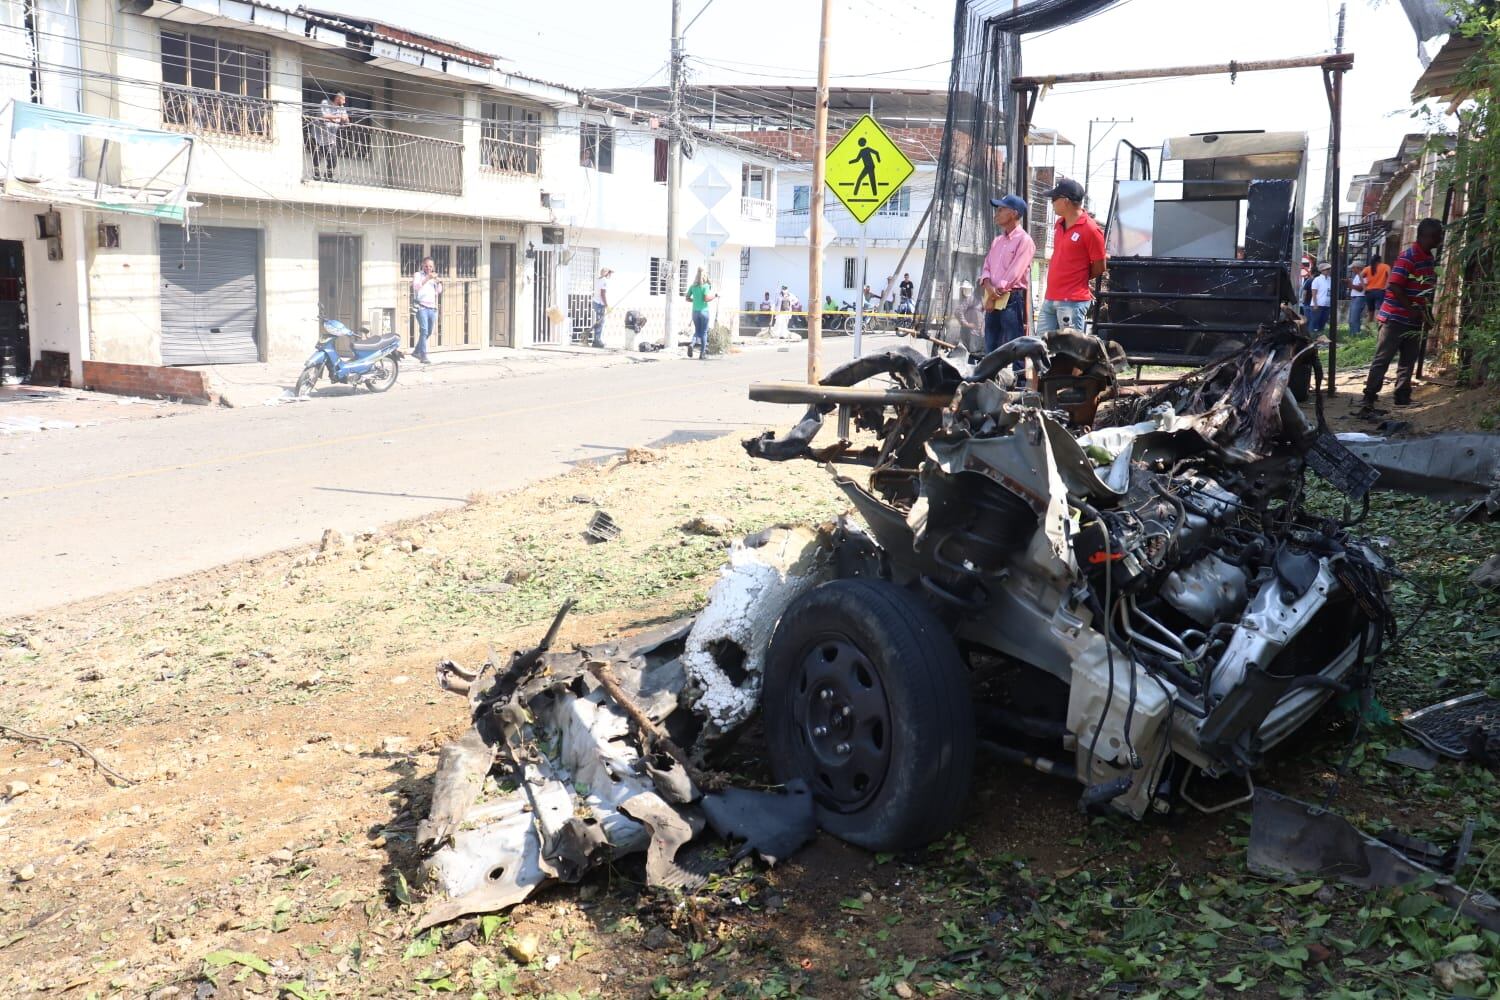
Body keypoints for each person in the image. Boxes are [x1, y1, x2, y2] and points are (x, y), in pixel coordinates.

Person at [1360, 218, 1444, 414]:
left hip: (1414, 320)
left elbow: (1425, 290)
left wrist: (1426, 314)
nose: (1440, 239)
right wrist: (1412, 309)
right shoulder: (1408, 257)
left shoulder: (1428, 258)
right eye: (1437, 236)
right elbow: (1395, 285)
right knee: (1383, 359)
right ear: (1425, 236)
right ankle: (1368, 400)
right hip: (1395, 318)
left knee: (1408, 359)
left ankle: (1402, 397)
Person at [1037, 178, 1105, 337]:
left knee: (1070, 354)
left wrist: (1078, 277)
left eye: (1054, 199)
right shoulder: (1059, 224)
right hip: (1050, 298)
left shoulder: (1091, 229)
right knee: (1041, 349)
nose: (1051, 203)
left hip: (1072, 302)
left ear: (1065, 201)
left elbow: (1100, 266)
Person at [979, 193, 1035, 381]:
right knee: (991, 343)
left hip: (1010, 298)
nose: (997, 213)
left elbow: (1015, 272)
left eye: (1001, 209)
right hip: (992, 296)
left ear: (1013, 213)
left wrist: (994, 293)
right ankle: (990, 382)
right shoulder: (997, 241)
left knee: (1015, 344)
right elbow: (986, 266)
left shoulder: (1024, 240)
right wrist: (988, 286)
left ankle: (1020, 385)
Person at [410, 257, 442, 364]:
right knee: (424, 330)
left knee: (428, 332)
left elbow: (438, 291)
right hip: (421, 307)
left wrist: (438, 282)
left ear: (433, 267)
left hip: (432, 308)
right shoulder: (418, 275)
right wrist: (427, 278)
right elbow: (416, 286)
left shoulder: (434, 277)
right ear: (423, 266)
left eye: (430, 266)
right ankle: (423, 355)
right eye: (426, 266)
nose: (428, 268)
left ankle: (416, 351)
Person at [313, 91, 349, 181]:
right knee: (318, 155)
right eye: (343, 100)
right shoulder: (325, 103)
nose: (344, 102)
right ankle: (316, 174)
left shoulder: (341, 108)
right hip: (319, 135)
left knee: (333, 159)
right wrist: (339, 118)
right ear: (337, 98)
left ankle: (328, 176)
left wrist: (345, 119)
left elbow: (347, 120)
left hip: (331, 137)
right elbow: (324, 116)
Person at [686, 267, 715, 359]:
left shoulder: (692, 286)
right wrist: (715, 296)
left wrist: (694, 301)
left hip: (695, 312)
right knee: (704, 332)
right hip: (704, 312)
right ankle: (702, 354)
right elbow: (706, 298)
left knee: (697, 331)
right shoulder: (705, 286)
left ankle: (692, 344)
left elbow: (687, 298)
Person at [955, 279, 983, 355]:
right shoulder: (971, 298)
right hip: (969, 333)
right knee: (970, 355)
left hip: (978, 334)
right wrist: (966, 324)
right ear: (979, 286)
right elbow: (958, 311)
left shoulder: (982, 299)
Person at [1361, 254, 1390, 324]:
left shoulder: (1368, 268)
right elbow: (1390, 276)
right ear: (1380, 260)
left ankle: (1368, 331)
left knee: (1370, 312)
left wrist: (1364, 287)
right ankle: (1377, 330)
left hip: (1369, 292)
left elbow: (1360, 275)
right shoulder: (1386, 266)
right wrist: (1386, 286)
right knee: (1379, 311)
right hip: (1380, 291)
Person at [1307, 262, 1332, 333]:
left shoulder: (1330, 279)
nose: (1329, 270)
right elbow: (1314, 293)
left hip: (1327, 305)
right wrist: (1315, 304)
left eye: (1329, 269)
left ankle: (1320, 337)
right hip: (1318, 305)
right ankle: (1311, 338)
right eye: (1327, 269)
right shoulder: (1317, 279)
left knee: (1323, 322)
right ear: (1322, 270)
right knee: (1314, 322)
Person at [591, 268, 611, 348]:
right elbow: (603, 294)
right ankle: (597, 341)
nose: (610, 275)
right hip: (600, 304)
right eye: (609, 273)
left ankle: (596, 340)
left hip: (595, 302)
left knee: (598, 322)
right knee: (600, 322)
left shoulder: (598, 279)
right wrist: (607, 305)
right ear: (607, 274)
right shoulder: (604, 281)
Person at [1347, 263, 1368, 337]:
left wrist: (1350, 284)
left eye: (1353, 268)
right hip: (1355, 297)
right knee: (1351, 319)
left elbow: (1360, 288)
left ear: (1358, 268)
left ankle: (1355, 335)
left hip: (1359, 297)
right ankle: (1352, 335)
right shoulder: (1356, 276)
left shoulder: (1364, 276)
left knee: (1354, 319)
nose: (1352, 270)